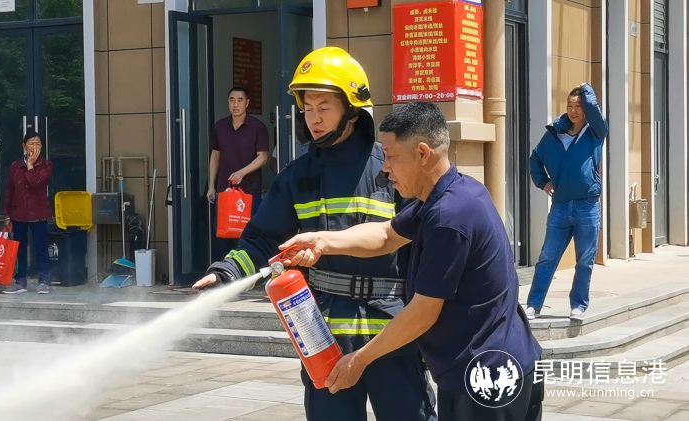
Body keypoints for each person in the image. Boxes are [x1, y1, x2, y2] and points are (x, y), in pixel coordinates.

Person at [194, 47, 437, 421]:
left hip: (390, 330)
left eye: (324, 107)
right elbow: (261, 239)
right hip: (322, 333)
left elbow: (423, 241)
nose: (314, 118)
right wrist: (228, 271)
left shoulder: (390, 168)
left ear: (352, 109)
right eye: (307, 108)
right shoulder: (297, 176)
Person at [280, 102, 544, 421]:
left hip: (485, 380)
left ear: (422, 153)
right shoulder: (453, 194)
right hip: (505, 365)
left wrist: (358, 360)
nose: (384, 168)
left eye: (390, 156)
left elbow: (421, 314)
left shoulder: (448, 218)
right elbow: (386, 235)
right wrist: (321, 241)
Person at [525, 83, 608, 319]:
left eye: (578, 106)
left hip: (587, 205)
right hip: (561, 206)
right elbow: (535, 159)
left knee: (585, 261)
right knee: (547, 258)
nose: (573, 110)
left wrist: (586, 89)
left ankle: (578, 305)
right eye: (570, 106)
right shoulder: (554, 133)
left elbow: (595, 111)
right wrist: (543, 182)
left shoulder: (595, 131)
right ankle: (533, 305)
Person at [206, 86, 269, 261]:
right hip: (224, 191)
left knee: (246, 234)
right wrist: (211, 186)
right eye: (232, 100)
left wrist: (242, 173)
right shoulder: (220, 126)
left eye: (240, 100)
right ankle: (225, 270)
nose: (235, 104)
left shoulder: (257, 127)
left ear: (247, 103)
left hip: (248, 191)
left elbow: (263, 157)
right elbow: (215, 156)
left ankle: (248, 270)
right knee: (223, 235)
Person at [2, 132, 53, 294]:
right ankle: (20, 281)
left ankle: (44, 281)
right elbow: (9, 190)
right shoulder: (15, 166)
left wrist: (30, 165)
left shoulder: (46, 165)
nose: (34, 147)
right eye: (31, 143)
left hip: (38, 213)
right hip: (19, 213)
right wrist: (7, 214)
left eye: (38, 144)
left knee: (41, 248)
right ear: (24, 146)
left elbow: (35, 182)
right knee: (19, 248)